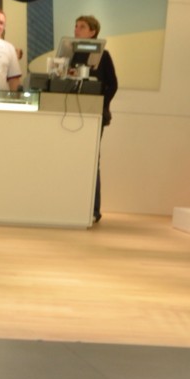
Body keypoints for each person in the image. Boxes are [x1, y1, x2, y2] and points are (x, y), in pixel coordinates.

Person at [75, 13, 118, 223]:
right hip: (74, 112)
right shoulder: (71, 53)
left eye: (82, 26)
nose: (77, 30)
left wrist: (101, 104)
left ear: (93, 32)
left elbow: (113, 84)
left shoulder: (104, 55)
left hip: (95, 114)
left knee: (93, 160)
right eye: (76, 26)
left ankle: (94, 209)